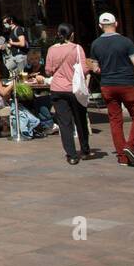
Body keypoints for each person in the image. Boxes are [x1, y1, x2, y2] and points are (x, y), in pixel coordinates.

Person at [90, 12, 134, 167]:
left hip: (108, 85)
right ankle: (131, 146)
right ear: (116, 23)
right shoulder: (126, 42)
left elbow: (95, 68)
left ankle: (122, 157)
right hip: (127, 84)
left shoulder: (95, 44)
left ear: (100, 26)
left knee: (115, 120)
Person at [45, 24, 100, 165]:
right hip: (74, 89)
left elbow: (48, 71)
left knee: (64, 123)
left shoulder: (51, 50)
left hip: (57, 89)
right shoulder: (77, 48)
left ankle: (71, 154)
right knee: (80, 119)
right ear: (72, 35)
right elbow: (84, 69)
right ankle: (85, 149)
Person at [0, 49, 41, 139]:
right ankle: (9, 128)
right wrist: (13, 83)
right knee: (10, 100)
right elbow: (3, 92)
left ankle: (8, 127)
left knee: (8, 98)